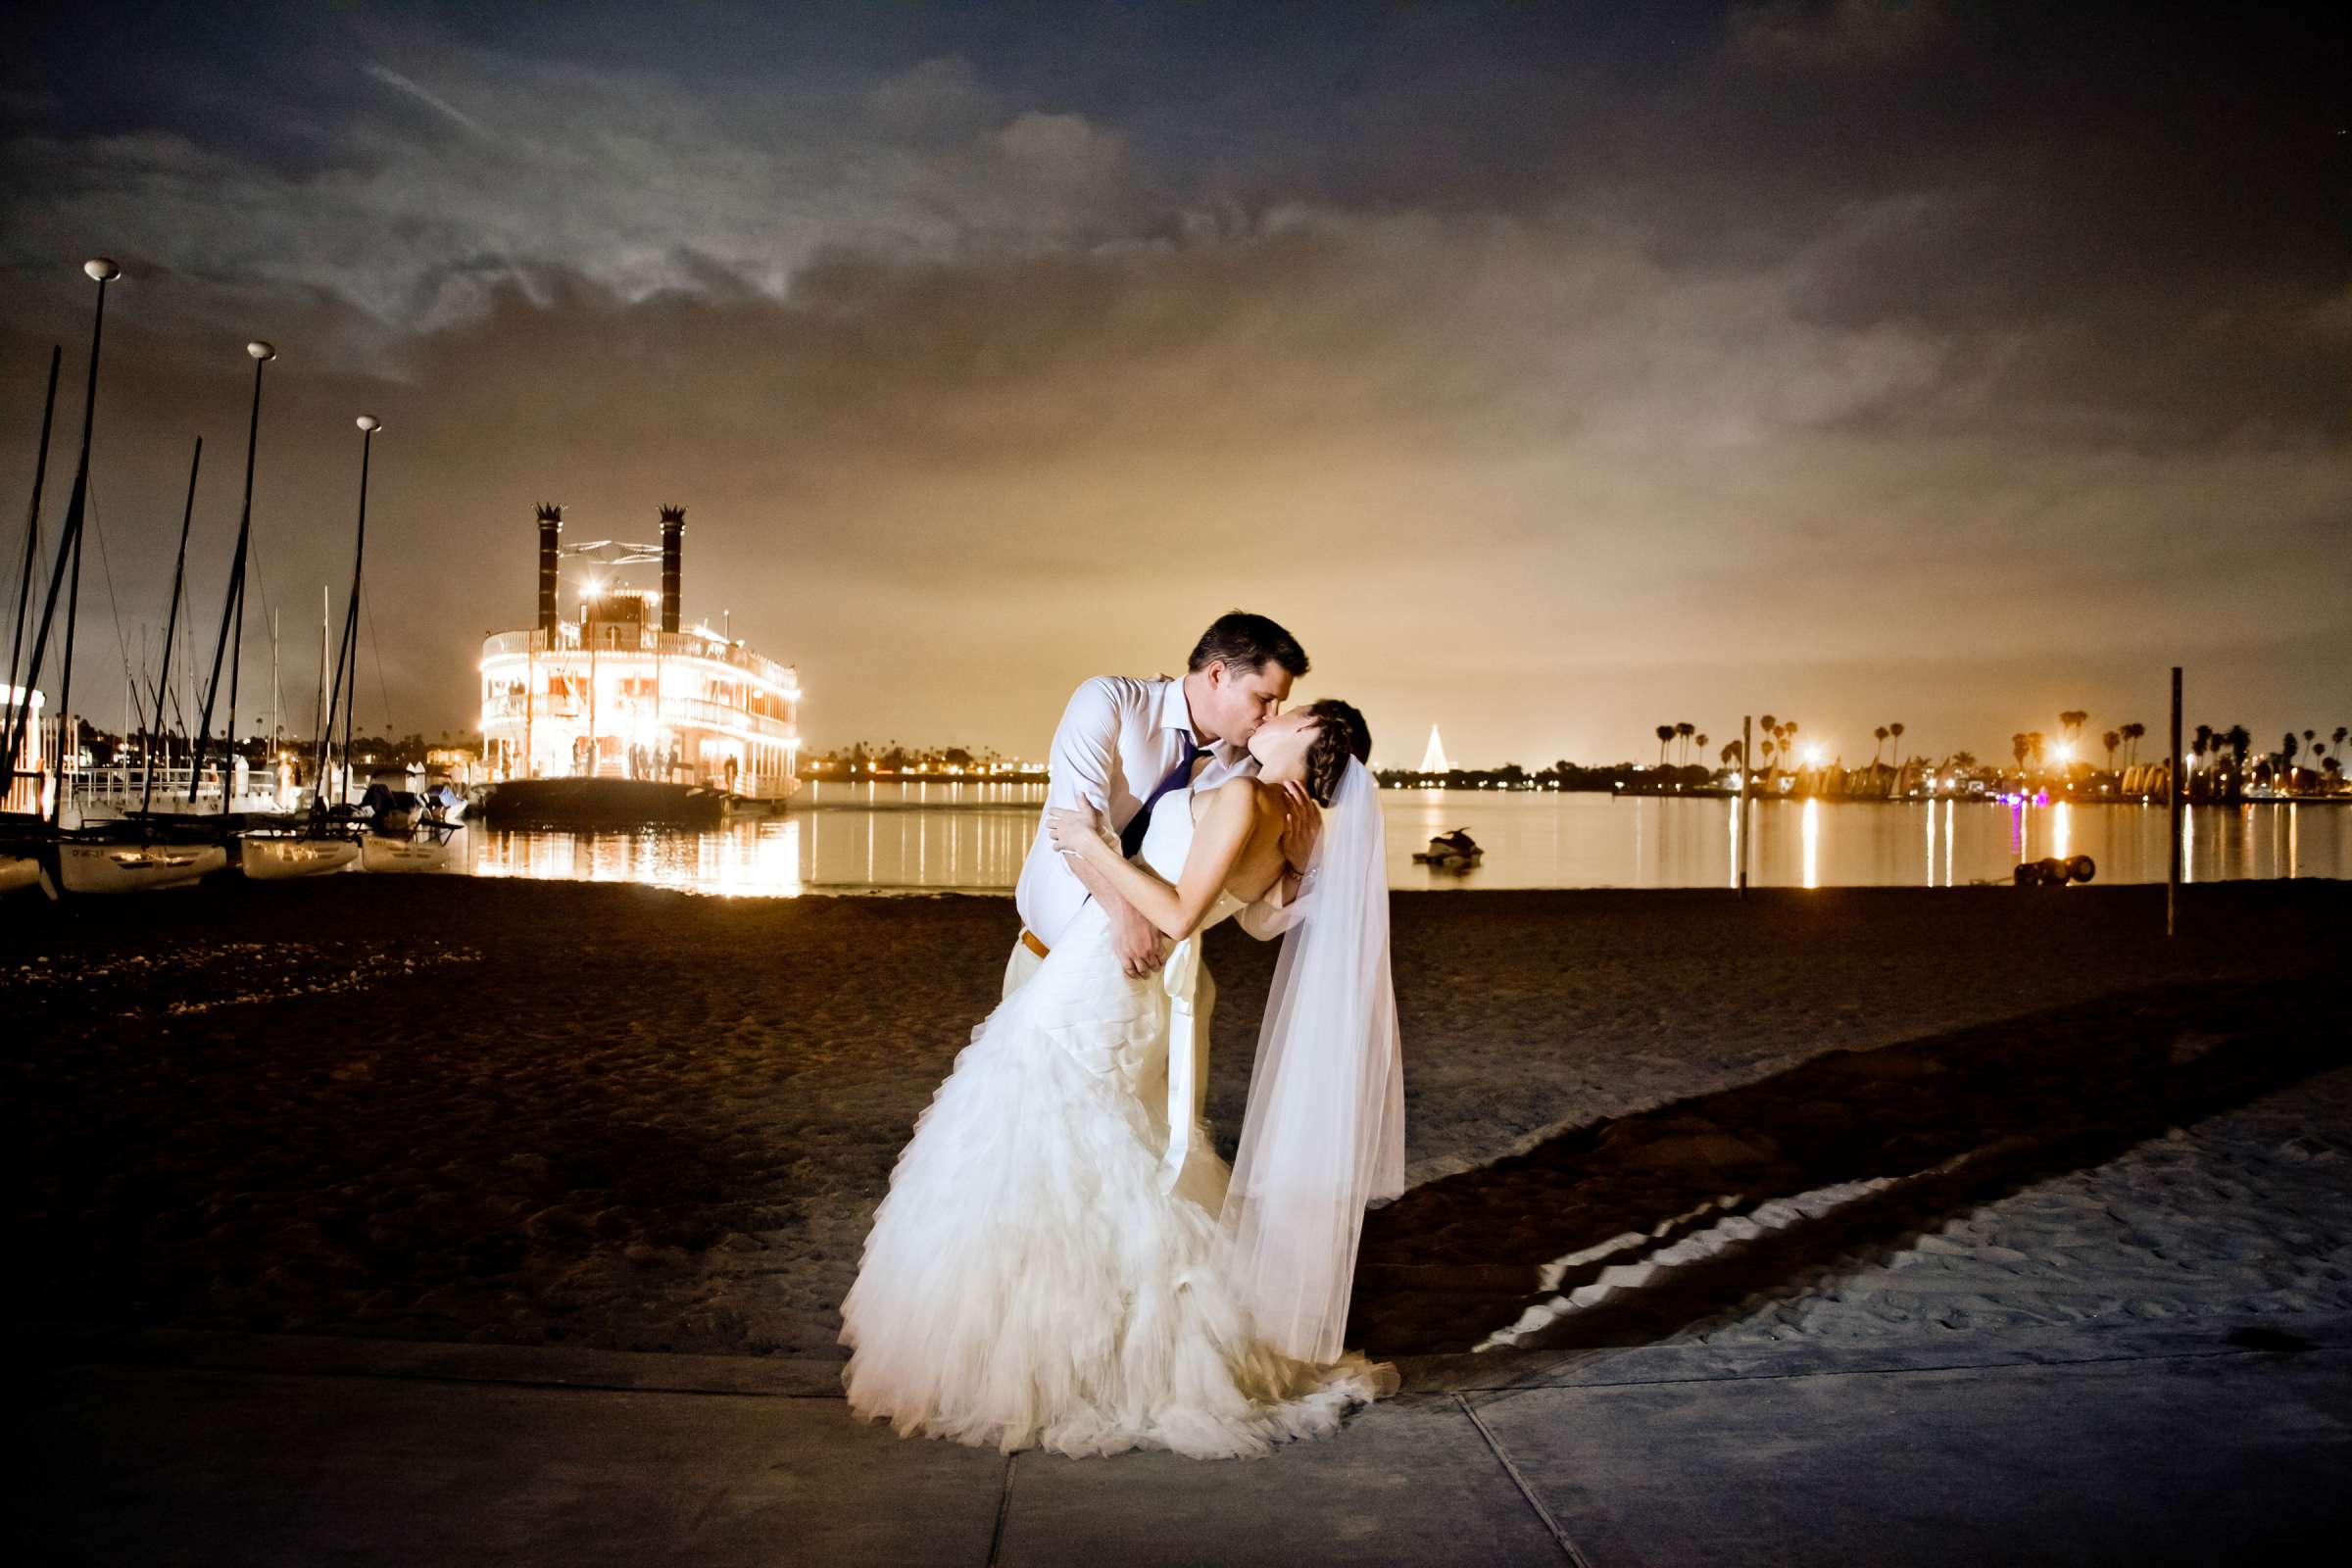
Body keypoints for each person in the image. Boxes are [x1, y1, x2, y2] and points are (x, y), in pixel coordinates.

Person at [838, 693, 1404, 1459]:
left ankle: (1064, 1365)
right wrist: (1303, 868)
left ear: (1312, 733)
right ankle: (1080, 1345)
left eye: (1289, 706)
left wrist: (1092, 846)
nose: (1272, 711)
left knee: (1059, 1140)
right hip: (1136, 995)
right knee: (1101, 1154)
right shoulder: (1287, 821)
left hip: (1106, 984)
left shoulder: (1244, 794)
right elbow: (1258, 914)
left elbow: (1174, 913)